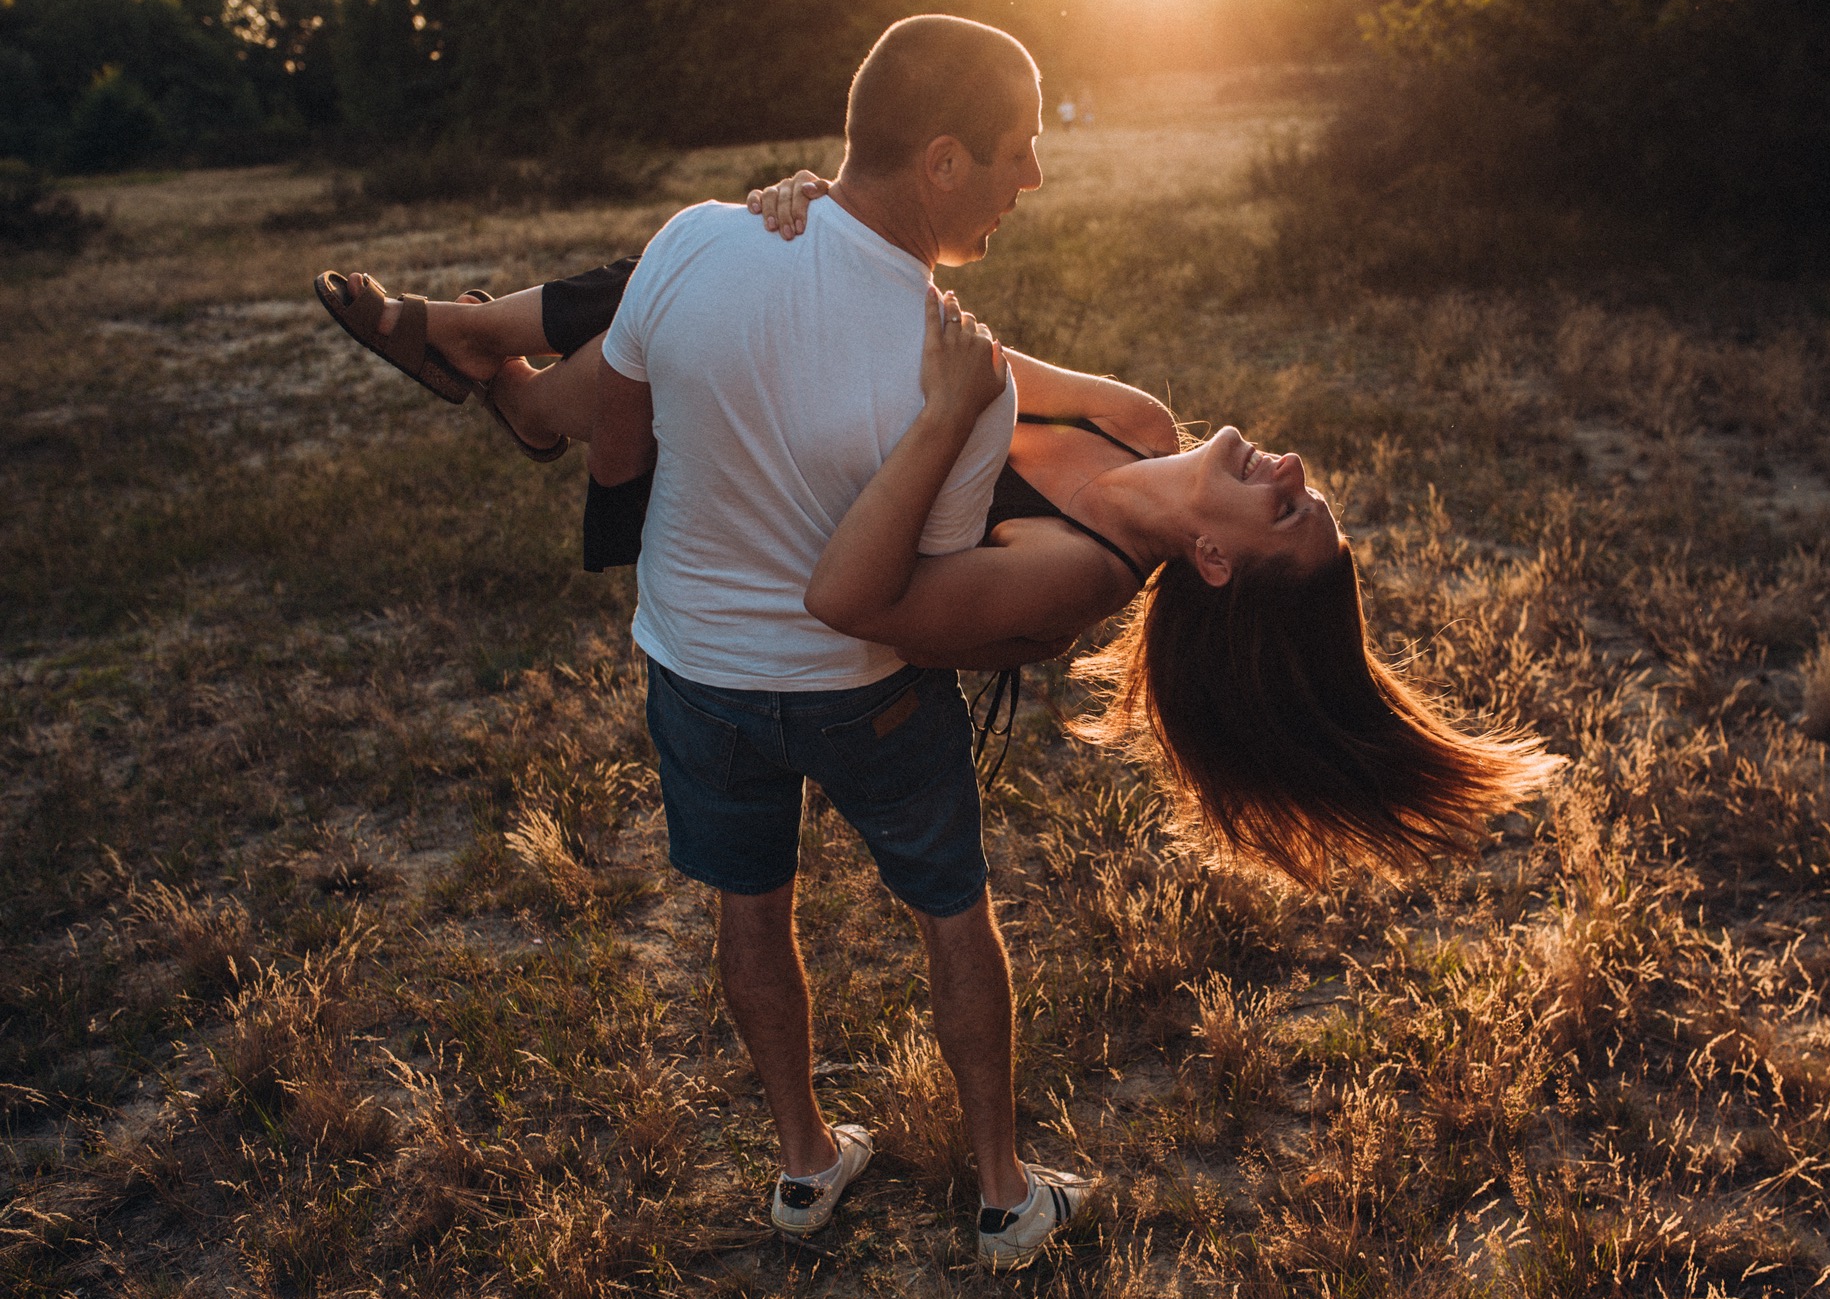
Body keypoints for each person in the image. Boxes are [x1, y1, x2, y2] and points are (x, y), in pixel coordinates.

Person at [321, 14, 1093, 1270]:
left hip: (697, 675)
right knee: (954, 915)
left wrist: (544, 404)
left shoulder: (691, 241)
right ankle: (1004, 1196)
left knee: (751, 908)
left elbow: (617, 429)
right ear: (944, 160)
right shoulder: (967, 377)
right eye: (1020, 149)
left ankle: (804, 1164)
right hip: (867, 690)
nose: (1034, 178)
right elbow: (922, 591)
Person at [327, 176, 1561, 891]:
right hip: (820, 409)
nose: (1286, 467)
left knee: (670, 300)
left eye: (1285, 506)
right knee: (731, 252)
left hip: (777, 504)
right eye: (1306, 483)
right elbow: (949, 336)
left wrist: (896, 361)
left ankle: (488, 360)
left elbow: (861, 598)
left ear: (1217, 562)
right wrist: (832, 224)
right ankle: (499, 371)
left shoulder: (1067, 581)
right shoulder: (1137, 420)